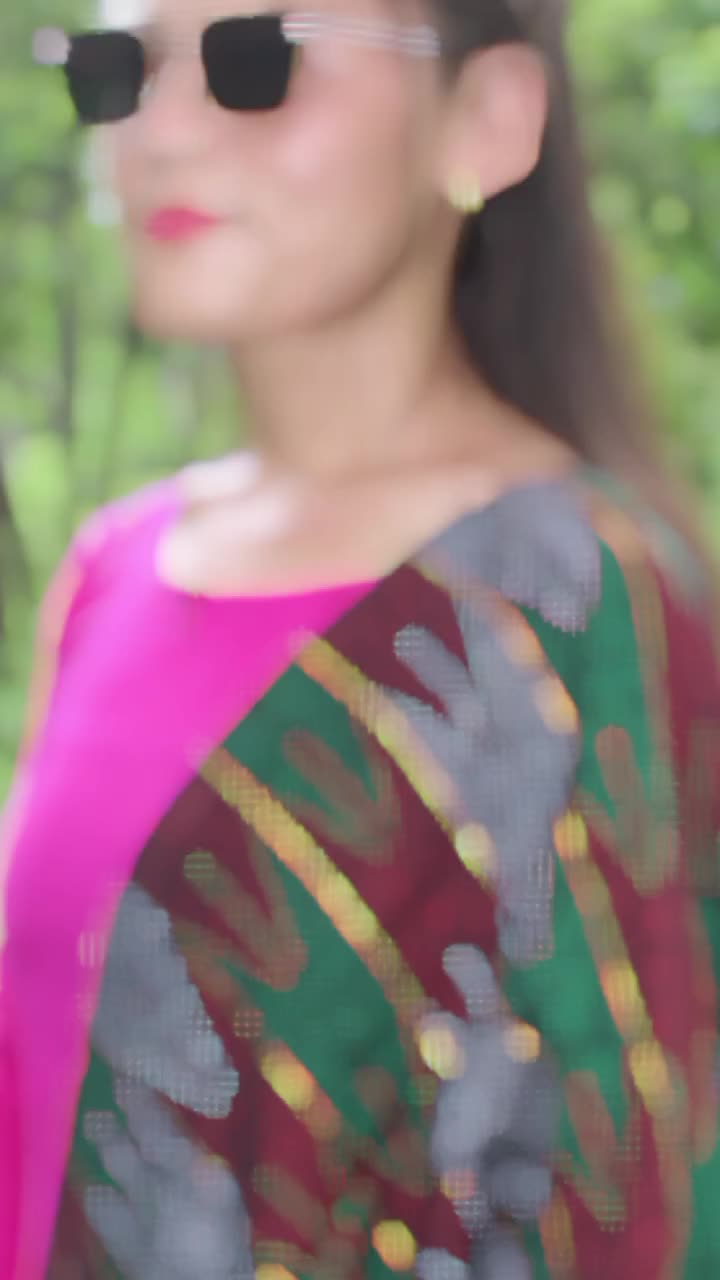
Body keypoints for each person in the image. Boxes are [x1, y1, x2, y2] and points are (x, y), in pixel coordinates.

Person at [2, 0, 719, 1275]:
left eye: (256, 61)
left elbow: (640, 1191)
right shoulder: (118, 564)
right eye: (118, 69)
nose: (160, 130)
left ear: (489, 118)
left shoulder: (578, 608)